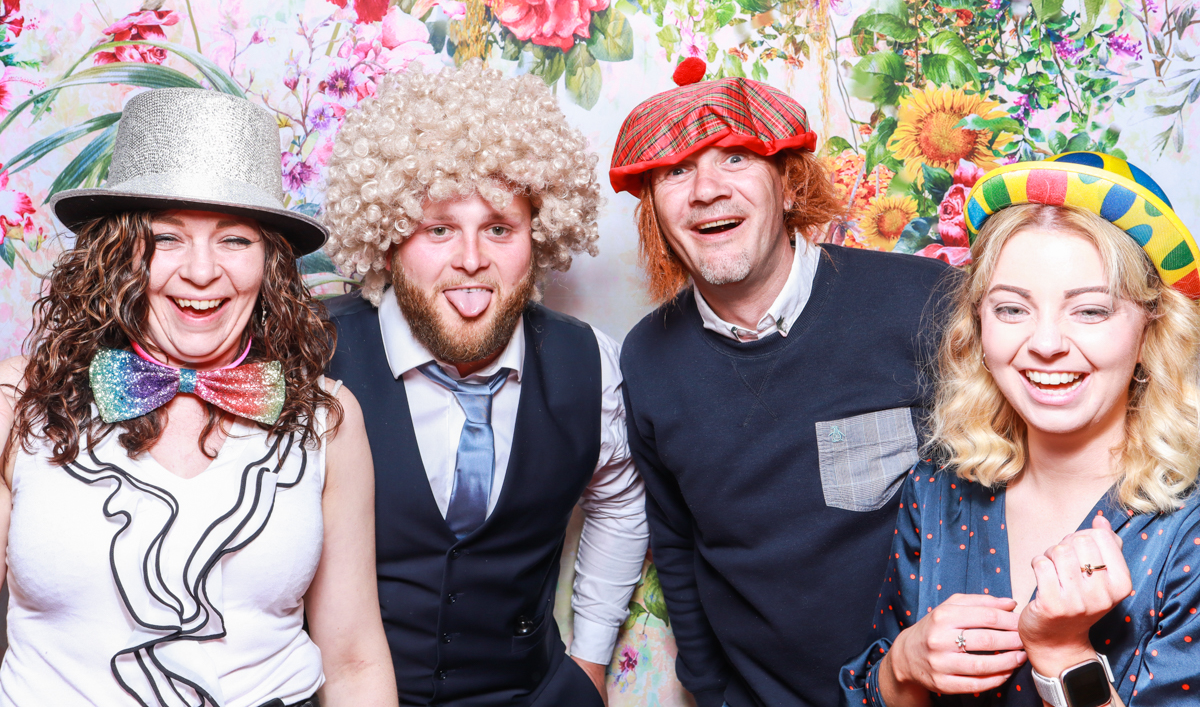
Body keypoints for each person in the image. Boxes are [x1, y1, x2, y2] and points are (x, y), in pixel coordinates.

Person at [0, 87, 398, 707]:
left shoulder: (327, 419)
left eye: (235, 240)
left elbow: (352, 661)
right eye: (167, 237)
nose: (202, 272)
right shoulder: (16, 402)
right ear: (117, 254)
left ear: (268, 262)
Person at [611, 63, 956, 707]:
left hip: (929, 689)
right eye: (676, 172)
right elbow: (677, 545)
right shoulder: (648, 359)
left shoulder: (922, 302)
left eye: (737, 158)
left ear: (790, 186)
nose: (706, 190)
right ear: (656, 212)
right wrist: (710, 690)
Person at [320, 61, 649, 707]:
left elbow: (621, 499)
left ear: (540, 234)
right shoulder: (309, 353)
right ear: (388, 239)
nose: (471, 259)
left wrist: (589, 657)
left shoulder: (591, 367)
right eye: (438, 228)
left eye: (499, 228)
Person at [839, 152, 1200, 706]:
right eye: (1012, 309)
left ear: (1152, 327)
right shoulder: (937, 488)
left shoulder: (1188, 531)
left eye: (1091, 311)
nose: (1047, 343)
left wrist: (1061, 654)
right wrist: (903, 667)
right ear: (978, 324)